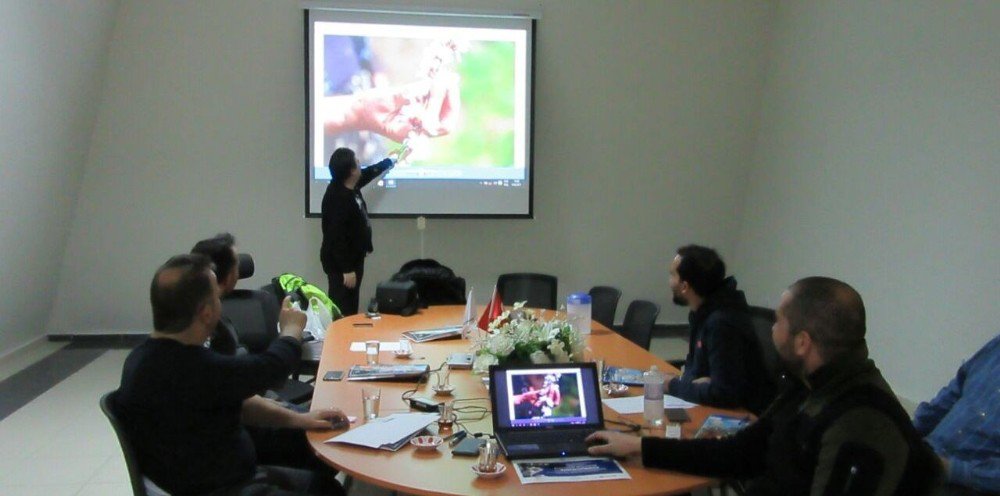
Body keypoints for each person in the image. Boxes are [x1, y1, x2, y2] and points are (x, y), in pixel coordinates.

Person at [588, 277, 943, 495]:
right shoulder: (810, 385)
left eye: (778, 321)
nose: (772, 330)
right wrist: (639, 447)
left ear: (802, 341)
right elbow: (741, 452)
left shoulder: (861, 422)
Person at [115, 254, 348, 495]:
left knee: (320, 474)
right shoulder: (194, 367)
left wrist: (303, 420)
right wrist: (291, 331)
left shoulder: (142, 358)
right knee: (327, 489)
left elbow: (243, 403)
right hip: (219, 487)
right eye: (217, 297)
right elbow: (272, 368)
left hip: (214, 472)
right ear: (206, 313)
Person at [192, 233, 341, 480]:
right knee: (326, 444)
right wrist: (291, 330)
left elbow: (241, 394)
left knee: (322, 427)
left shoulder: (157, 358)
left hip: (252, 410)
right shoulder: (202, 346)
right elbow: (267, 373)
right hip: (240, 446)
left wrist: (294, 414)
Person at [664, 245, 774, 413]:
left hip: (740, 416)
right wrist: (690, 383)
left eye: (672, 275)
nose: (669, 281)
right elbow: (696, 369)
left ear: (685, 286)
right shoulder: (702, 312)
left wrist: (672, 386)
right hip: (708, 406)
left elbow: (724, 393)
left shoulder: (722, 323)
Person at [913, 333, 999, 494]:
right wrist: (905, 433)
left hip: (967, 484)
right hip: (927, 454)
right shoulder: (996, 347)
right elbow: (952, 394)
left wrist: (947, 468)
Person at [320, 147, 399, 315]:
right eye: (357, 162)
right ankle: (341, 339)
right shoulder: (338, 198)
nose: (360, 164)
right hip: (342, 266)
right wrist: (347, 269)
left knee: (352, 302)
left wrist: (389, 161)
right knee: (343, 307)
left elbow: (369, 173)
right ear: (351, 171)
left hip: (355, 258)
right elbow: (336, 237)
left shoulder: (349, 185)